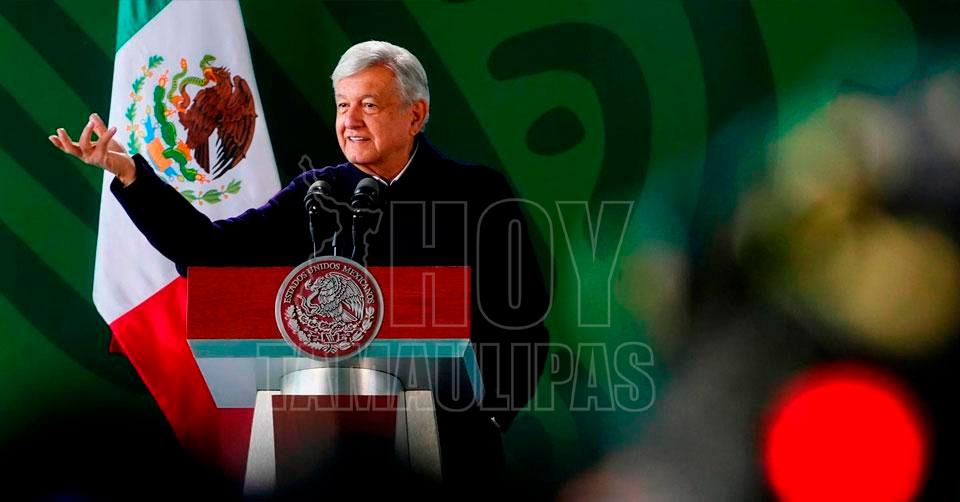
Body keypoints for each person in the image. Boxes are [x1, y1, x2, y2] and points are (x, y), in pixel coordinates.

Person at [50, 40, 549, 485]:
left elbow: (521, 318)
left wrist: (490, 416)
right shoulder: (317, 191)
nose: (350, 121)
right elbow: (210, 254)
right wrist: (132, 176)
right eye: (343, 105)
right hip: (324, 449)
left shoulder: (476, 193)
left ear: (415, 115)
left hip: (451, 444)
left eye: (369, 105)